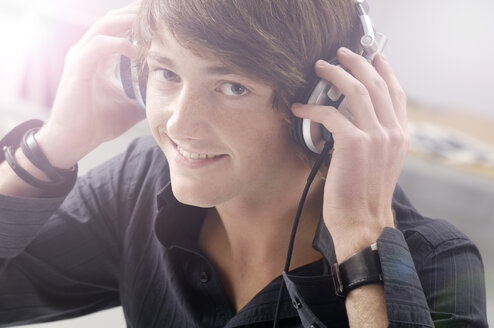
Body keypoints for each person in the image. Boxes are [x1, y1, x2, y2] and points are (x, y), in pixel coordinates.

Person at [0, 0, 487, 327]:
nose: (179, 125)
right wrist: (54, 145)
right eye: (167, 73)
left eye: (232, 86)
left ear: (327, 102)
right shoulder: (138, 181)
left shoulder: (434, 263)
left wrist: (362, 239)